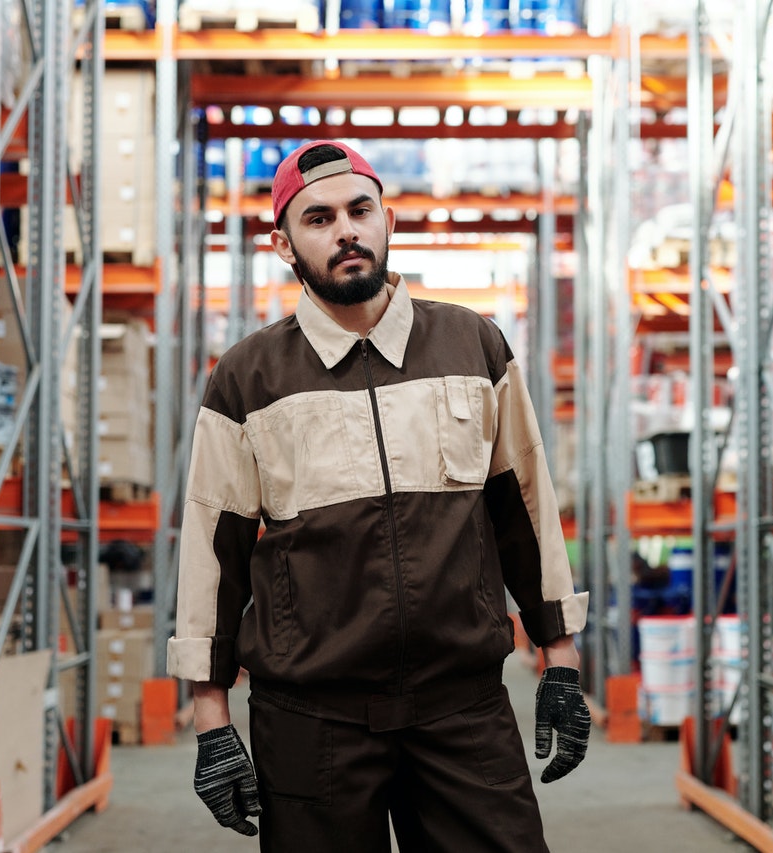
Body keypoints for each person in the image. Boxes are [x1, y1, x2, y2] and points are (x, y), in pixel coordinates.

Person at [167, 140, 591, 852]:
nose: (346, 231)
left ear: (387, 218)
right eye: (320, 218)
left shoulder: (472, 345)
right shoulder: (248, 377)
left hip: (462, 712)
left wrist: (562, 661)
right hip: (313, 723)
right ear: (284, 244)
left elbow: (527, 511)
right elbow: (214, 552)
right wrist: (212, 723)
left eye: (361, 210)